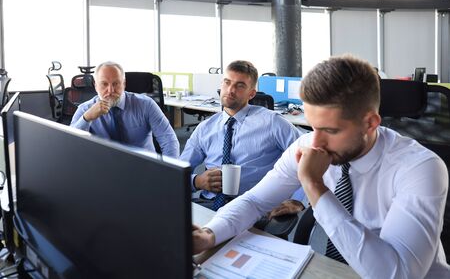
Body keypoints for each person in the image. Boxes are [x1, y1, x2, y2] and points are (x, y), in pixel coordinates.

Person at [193, 55, 450, 278]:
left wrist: (315, 186)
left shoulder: (420, 168)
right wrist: (209, 233)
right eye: (313, 126)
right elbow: (255, 201)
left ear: (370, 123)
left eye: (330, 130)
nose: (315, 142)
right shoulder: (310, 144)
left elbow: (397, 273)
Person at [180, 60, 306, 212]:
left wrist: (297, 199)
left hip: (254, 206)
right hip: (209, 204)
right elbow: (176, 172)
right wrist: (197, 181)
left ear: (251, 93)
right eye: (227, 82)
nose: (231, 90)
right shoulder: (204, 129)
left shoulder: (272, 123)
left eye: (240, 86)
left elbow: (307, 156)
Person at [71, 61, 179, 158]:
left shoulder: (146, 104)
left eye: (116, 83)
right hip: (104, 170)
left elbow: (169, 140)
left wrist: (170, 174)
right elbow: (70, 146)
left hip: (143, 167)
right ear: (95, 85)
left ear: (124, 84)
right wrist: (87, 118)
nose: (110, 90)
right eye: (104, 84)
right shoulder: (85, 110)